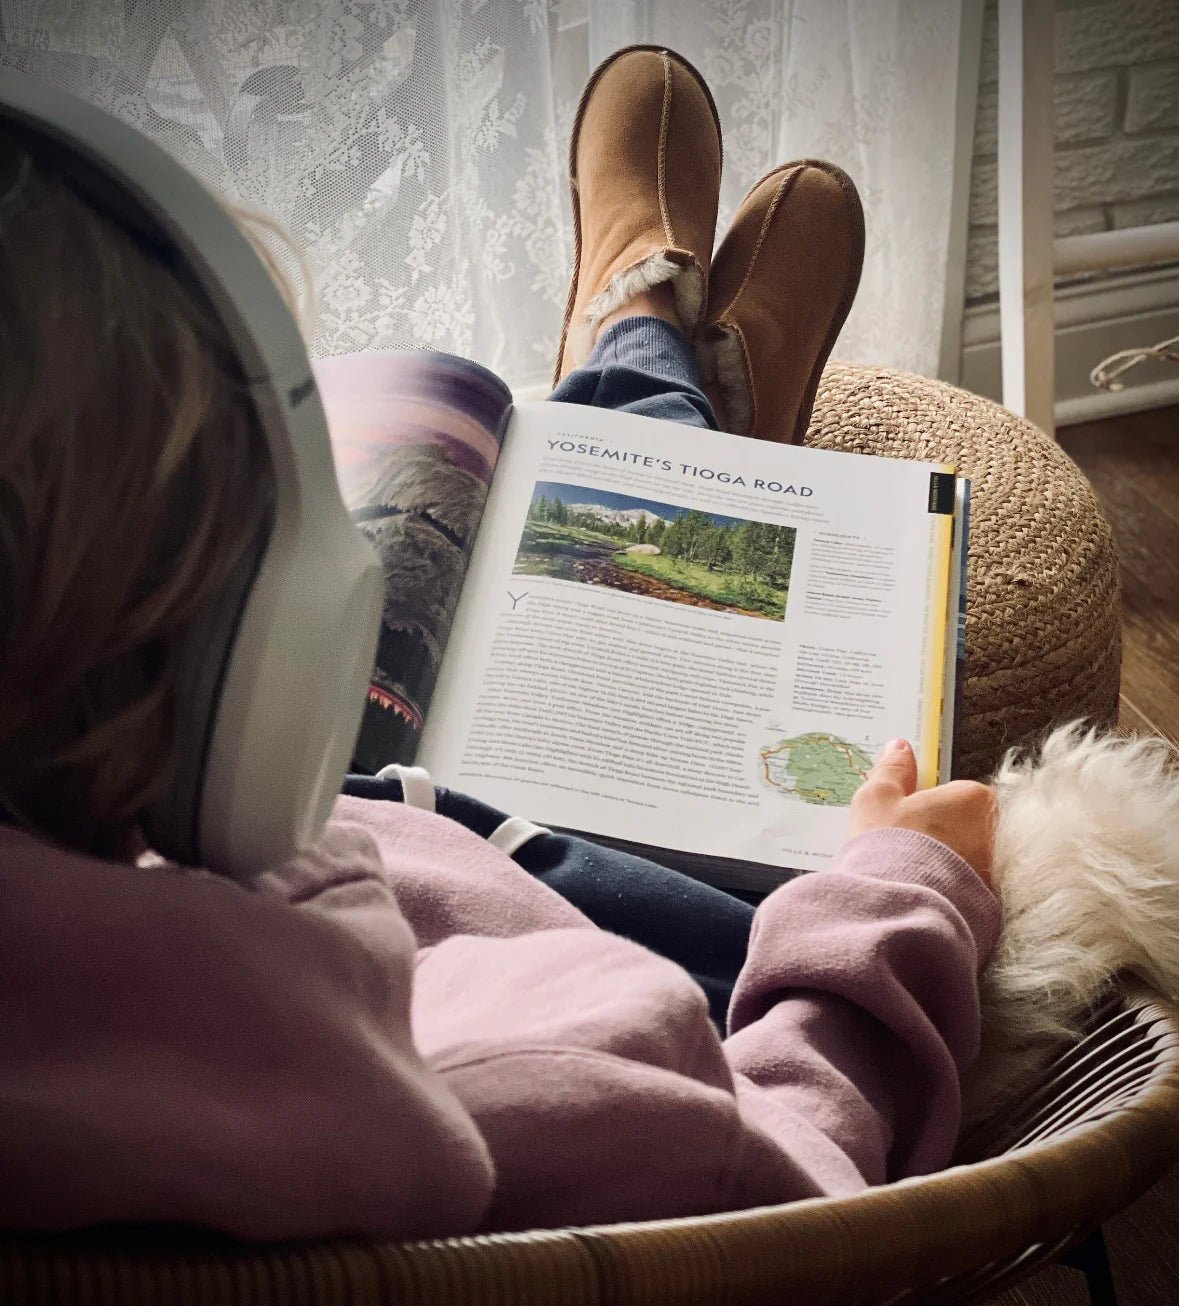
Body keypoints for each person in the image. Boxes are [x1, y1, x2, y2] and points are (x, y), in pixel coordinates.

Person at [0, 48, 998, 1242]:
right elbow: (790, 1186)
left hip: (404, 831)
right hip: (617, 907)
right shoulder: (417, 1086)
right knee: (553, 520)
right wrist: (899, 891)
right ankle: (663, 373)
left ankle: (648, 361)